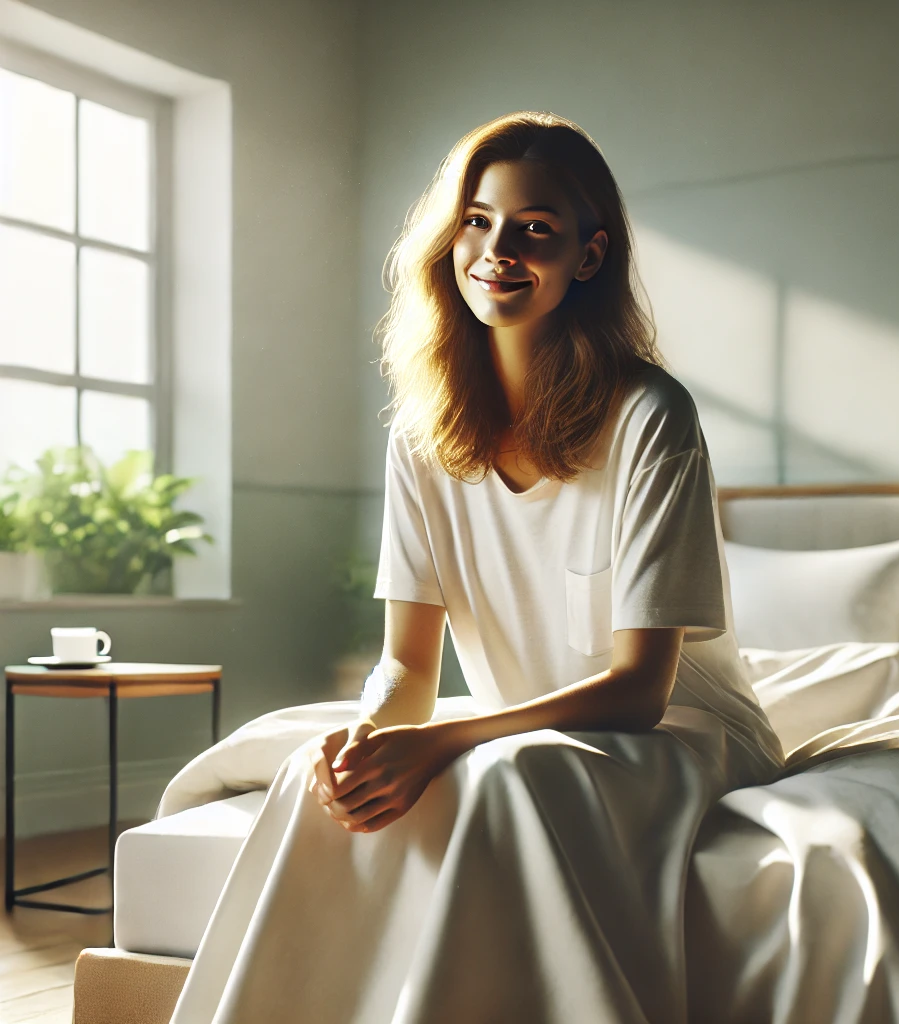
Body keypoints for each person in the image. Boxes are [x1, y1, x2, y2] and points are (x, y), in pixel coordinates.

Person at [168, 111, 783, 1024]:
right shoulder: (423, 436)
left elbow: (642, 689)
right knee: (320, 772)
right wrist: (376, 734)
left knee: (502, 777)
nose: (499, 249)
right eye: (478, 221)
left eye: (536, 229)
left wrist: (449, 738)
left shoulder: (652, 416)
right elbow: (408, 665)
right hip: (525, 721)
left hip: (680, 734)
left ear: (587, 255)